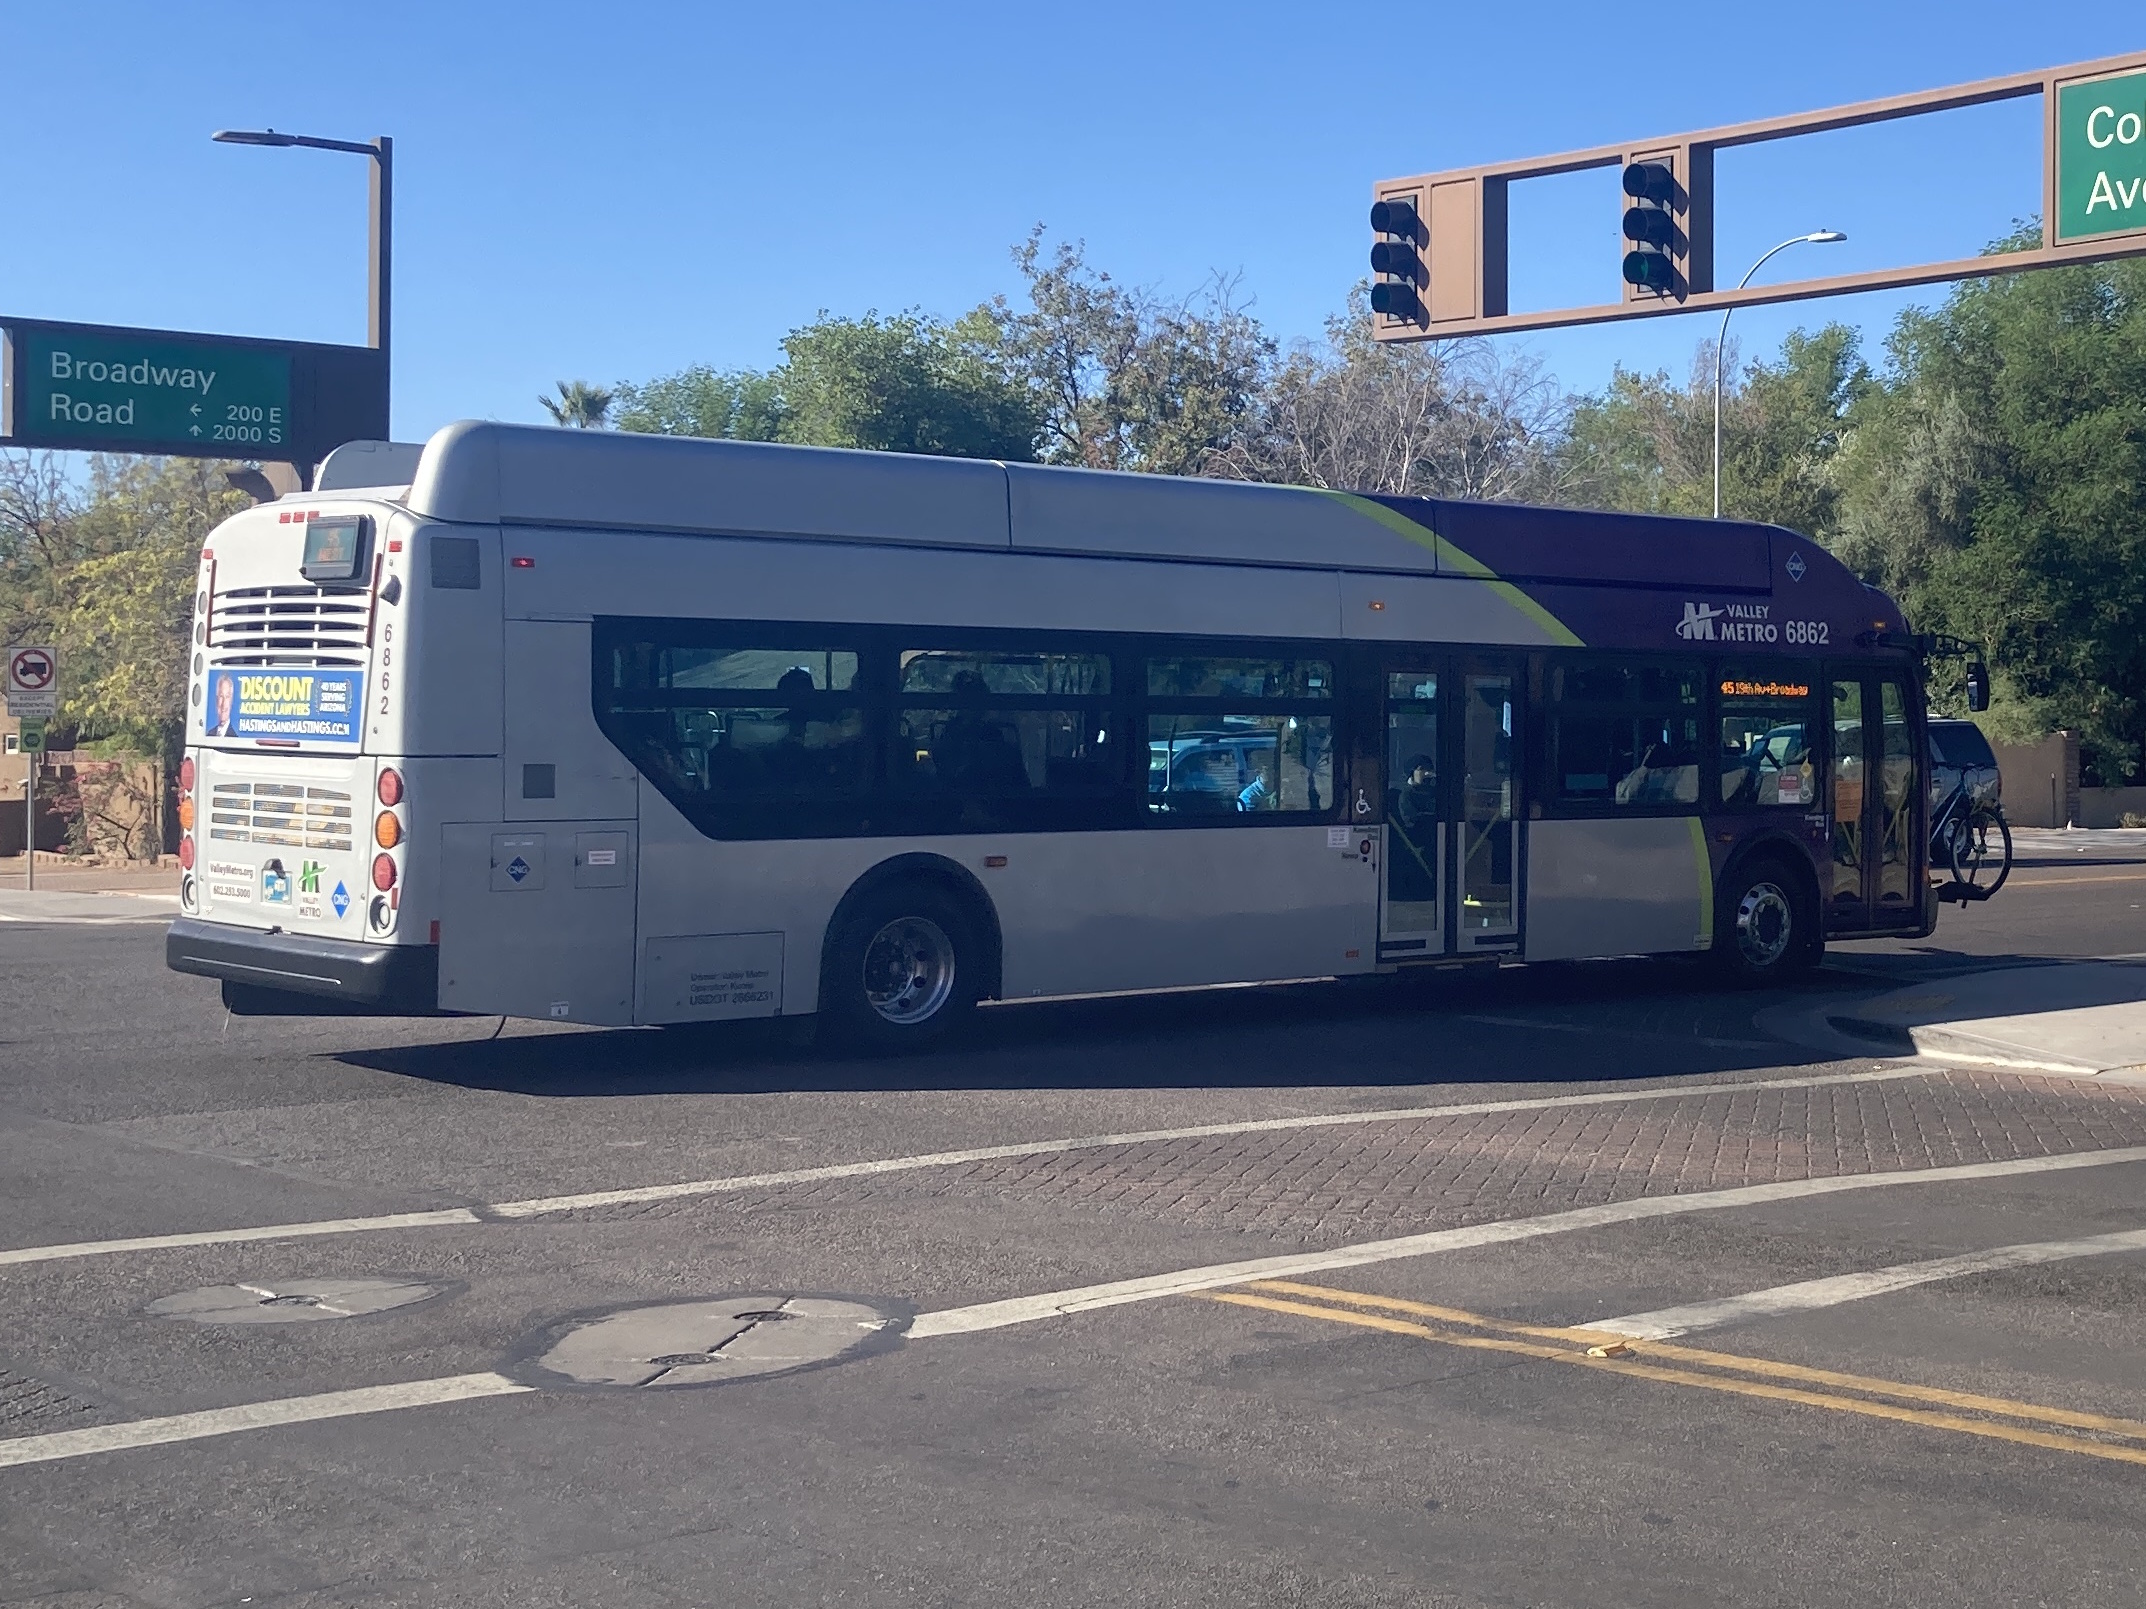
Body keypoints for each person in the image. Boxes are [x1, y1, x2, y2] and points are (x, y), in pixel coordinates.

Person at [204, 674, 238, 738]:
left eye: (227, 697)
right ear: (216, 699)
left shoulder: (234, 738)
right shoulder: (209, 734)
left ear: (231, 701)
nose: (223, 703)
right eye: (221, 696)